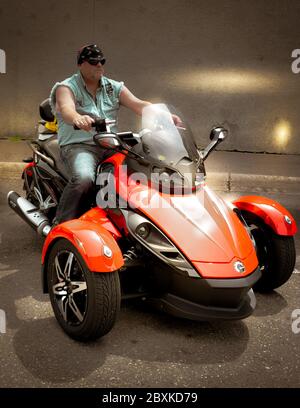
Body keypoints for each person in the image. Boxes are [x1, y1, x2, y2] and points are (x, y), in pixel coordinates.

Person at [50, 44, 181, 224]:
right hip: (79, 146)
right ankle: (61, 223)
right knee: (84, 178)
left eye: (101, 61)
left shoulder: (113, 87)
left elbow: (139, 104)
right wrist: (78, 119)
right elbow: (66, 109)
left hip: (110, 144)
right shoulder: (66, 87)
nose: (99, 65)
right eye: (93, 61)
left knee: (138, 172)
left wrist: (164, 115)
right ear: (80, 64)